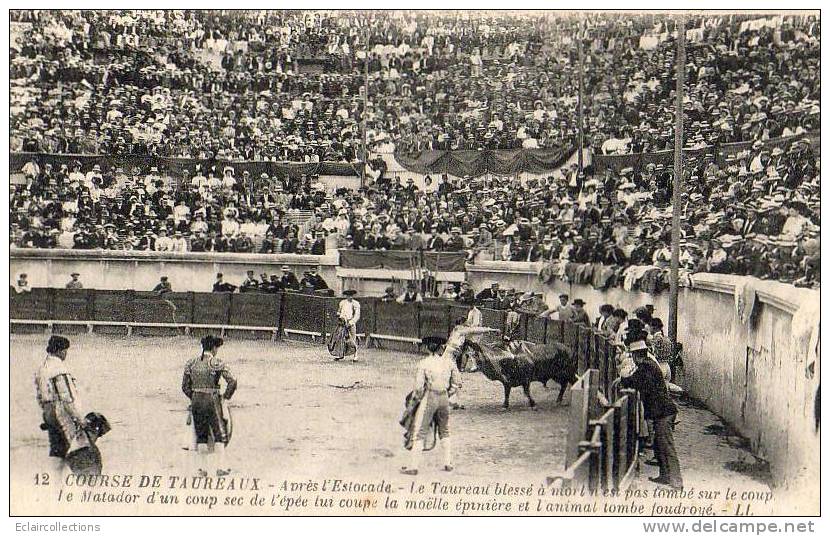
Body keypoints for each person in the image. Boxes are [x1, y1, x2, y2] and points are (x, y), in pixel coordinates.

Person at [620, 337, 683, 489]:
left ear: (636, 355)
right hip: (660, 411)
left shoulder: (645, 367)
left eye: (633, 356)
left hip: (663, 412)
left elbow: (632, 381)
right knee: (659, 444)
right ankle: (665, 475)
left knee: (666, 445)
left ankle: (676, 481)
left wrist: (623, 377)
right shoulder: (649, 364)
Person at [401, 336, 461, 475]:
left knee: (420, 431)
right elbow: (457, 383)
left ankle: (413, 467)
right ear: (441, 347)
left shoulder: (424, 363)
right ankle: (447, 463)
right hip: (444, 397)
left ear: (428, 348)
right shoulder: (449, 363)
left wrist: (414, 402)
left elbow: (419, 388)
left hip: (430, 397)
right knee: (444, 430)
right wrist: (448, 393)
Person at [182, 335, 237, 477]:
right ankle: (221, 467)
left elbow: (184, 387)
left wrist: (194, 396)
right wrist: (225, 397)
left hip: (196, 400)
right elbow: (232, 381)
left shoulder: (191, 363)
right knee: (218, 433)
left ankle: (202, 469)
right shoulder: (217, 362)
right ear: (213, 348)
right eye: (217, 348)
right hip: (212, 400)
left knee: (201, 435)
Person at [35, 335, 89, 474]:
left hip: (48, 412)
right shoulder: (59, 369)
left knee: (57, 449)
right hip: (62, 414)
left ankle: (56, 483)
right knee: (77, 449)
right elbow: (67, 398)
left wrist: (47, 411)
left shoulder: (42, 367)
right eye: (65, 350)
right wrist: (79, 418)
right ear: (59, 350)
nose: (66, 353)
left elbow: (40, 395)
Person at [336, 289, 361, 362]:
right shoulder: (342, 303)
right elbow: (339, 311)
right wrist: (339, 317)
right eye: (348, 295)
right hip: (343, 323)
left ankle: (355, 356)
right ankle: (341, 355)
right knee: (340, 339)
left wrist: (350, 323)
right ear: (346, 296)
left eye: (351, 295)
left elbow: (357, 315)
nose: (350, 297)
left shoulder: (356, 304)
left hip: (351, 323)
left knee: (353, 339)